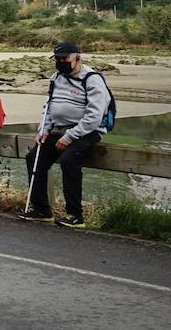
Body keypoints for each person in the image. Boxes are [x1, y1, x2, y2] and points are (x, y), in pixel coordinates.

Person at [22, 41, 113, 228]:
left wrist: (70, 137)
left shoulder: (92, 79)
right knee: (33, 158)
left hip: (87, 130)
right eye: (57, 59)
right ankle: (42, 210)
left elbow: (94, 116)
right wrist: (44, 130)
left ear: (77, 57)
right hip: (59, 129)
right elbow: (48, 107)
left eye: (65, 58)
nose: (61, 62)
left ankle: (75, 215)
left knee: (69, 160)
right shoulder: (56, 77)